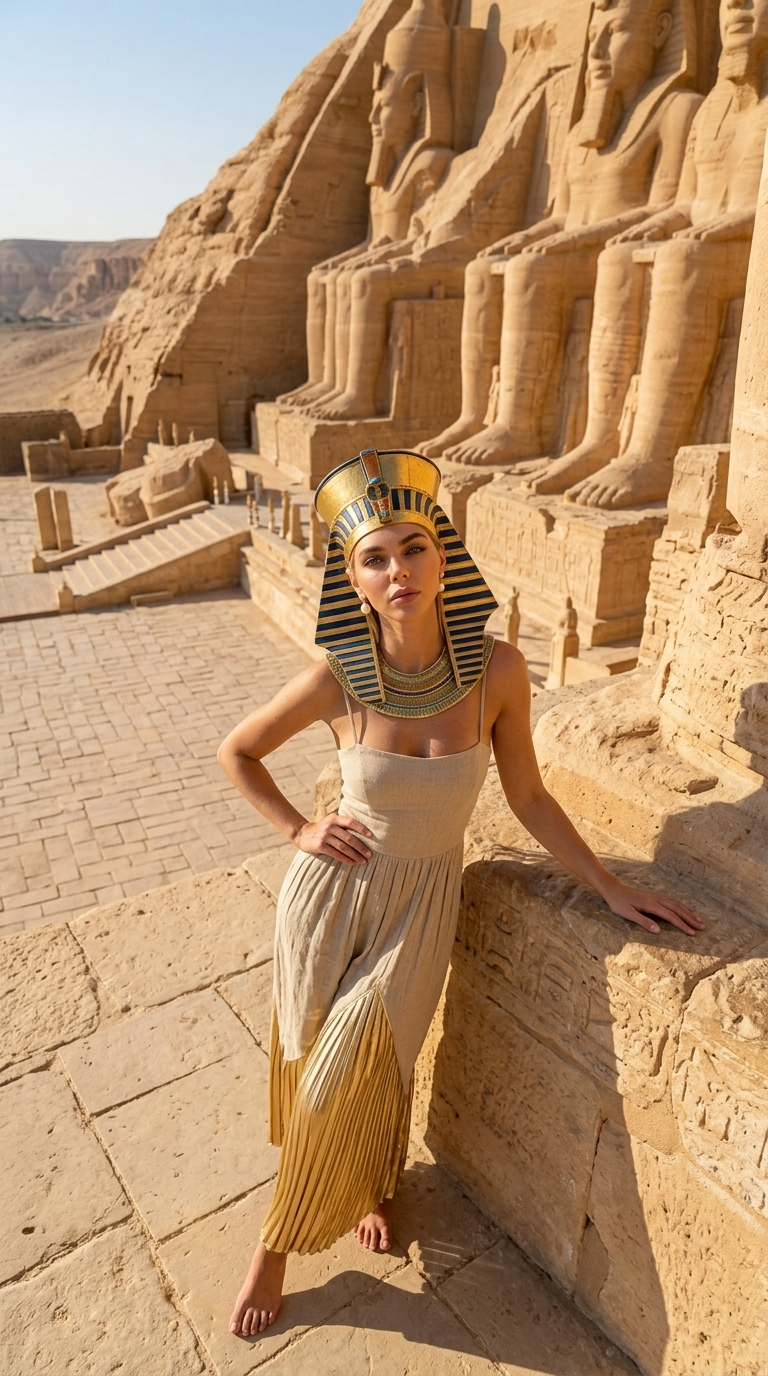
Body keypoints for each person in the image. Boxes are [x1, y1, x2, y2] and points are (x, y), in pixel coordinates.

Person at [217, 447, 704, 1338]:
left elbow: (528, 796)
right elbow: (237, 752)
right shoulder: (339, 672)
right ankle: (368, 1180)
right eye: (373, 556)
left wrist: (606, 885)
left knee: (358, 1065)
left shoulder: (499, 670)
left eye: (412, 547)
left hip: (421, 909)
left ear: (442, 553)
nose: (396, 569)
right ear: (353, 578)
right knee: (310, 1059)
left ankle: (272, 1247)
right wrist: (298, 830)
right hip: (329, 897)